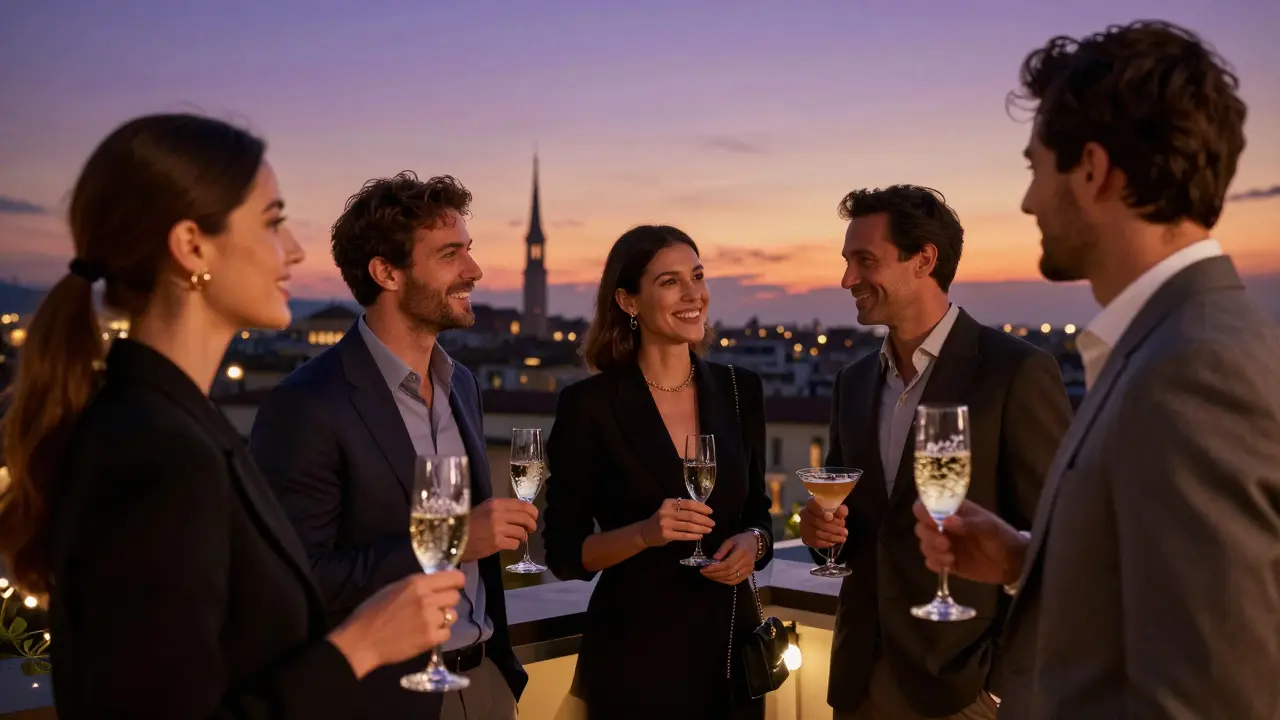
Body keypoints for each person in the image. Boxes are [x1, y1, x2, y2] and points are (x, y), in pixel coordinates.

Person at [0, 114, 465, 717]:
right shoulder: (155, 451)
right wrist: (362, 645)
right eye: (272, 222)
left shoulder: (179, 424)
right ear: (192, 246)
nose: (294, 249)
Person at [914, 20, 1280, 718]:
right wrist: (1026, 560)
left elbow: (1207, 693)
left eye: (1035, 168)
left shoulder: (1194, 371)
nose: (1028, 201)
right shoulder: (1171, 340)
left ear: (1091, 170)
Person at [250, 172, 528, 719]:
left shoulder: (463, 384)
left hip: (486, 682)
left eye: (468, 249)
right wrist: (454, 540)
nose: (474, 269)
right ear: (387, 273)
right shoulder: (307, 404)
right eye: (450, 254)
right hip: (385, 700)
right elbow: (296, 580)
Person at [799, 185, 1072, 720]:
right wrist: (820, 534)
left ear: (924, 260)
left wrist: (998, 686)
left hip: (962, 689)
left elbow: (1058, 537)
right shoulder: (853, 382)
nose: (847, 279)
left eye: (865, 260)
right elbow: (853, 526)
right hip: (858, 680)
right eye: (847, 262)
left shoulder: (1015, 372)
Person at [543, 225, 775, 720]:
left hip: (730, 655)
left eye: (698, 276)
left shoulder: (741, 390)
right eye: (670, 282)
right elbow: (564, 554)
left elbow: (758, 513)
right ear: (628, 301)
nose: (693, 294)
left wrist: (753, 543)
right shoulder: (589, 406)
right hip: (635, 660)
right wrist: (646, 534)